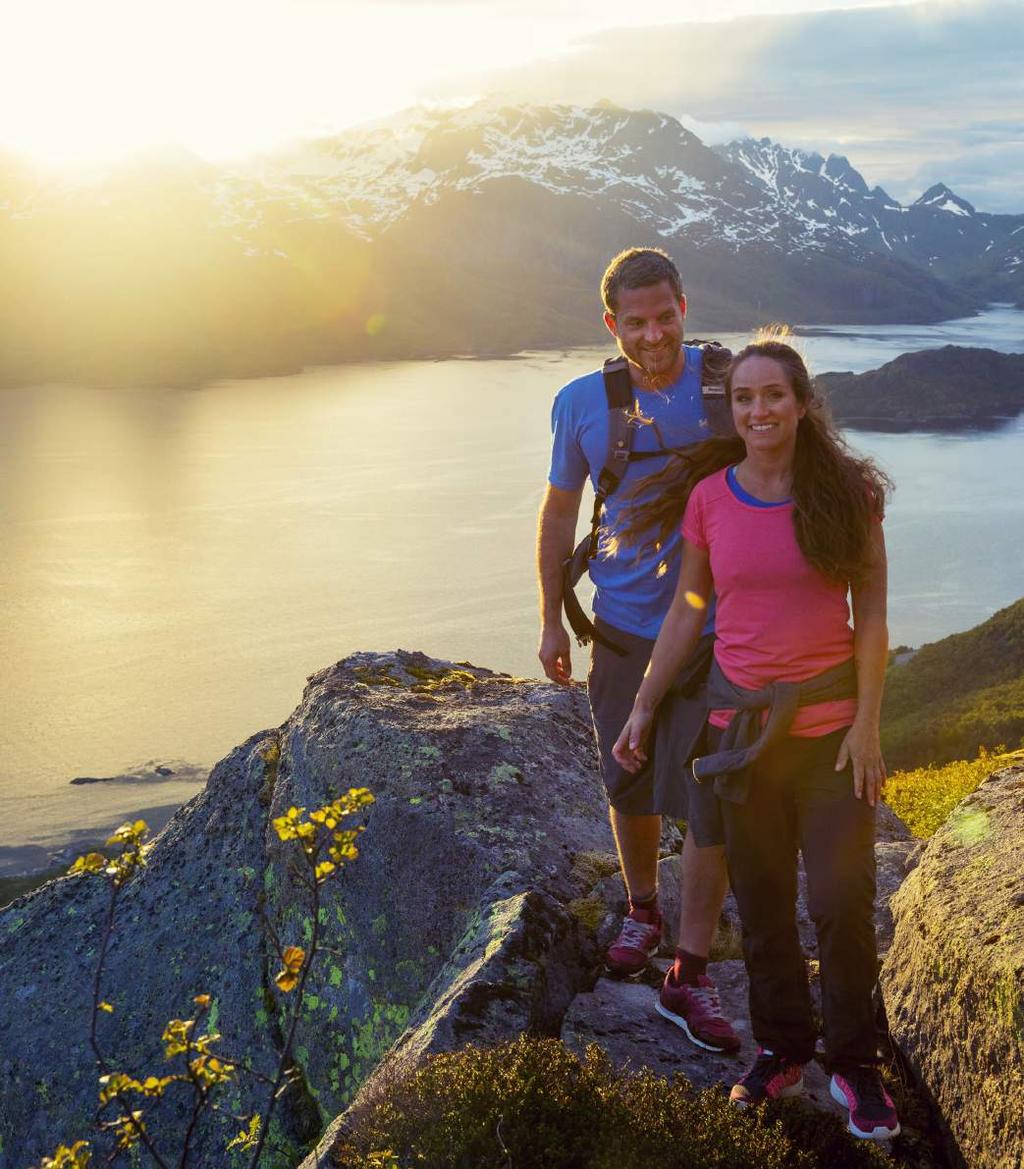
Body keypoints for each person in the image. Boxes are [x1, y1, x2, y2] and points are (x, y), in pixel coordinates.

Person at [612, 335, 901, 1141]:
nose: (759, 410)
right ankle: (781, 1047)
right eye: (744, 399)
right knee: (765, 902)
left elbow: (872, 614)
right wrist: (643, 706)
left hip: (831, 731)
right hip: (740, 735)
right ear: (731, 409)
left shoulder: (848, 493)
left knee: (841, 900)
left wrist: (870, 724)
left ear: (803, 404)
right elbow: (690, 610)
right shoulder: (711, 497)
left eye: (774, 395)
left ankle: (853, 1063)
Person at [537, 246, 740, 1054]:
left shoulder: (729, 385)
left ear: (684, 308)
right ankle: (643, 905)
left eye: (666, 317)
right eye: (637, 323)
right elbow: (558, 516)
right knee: (628, 779)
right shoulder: (583, 402)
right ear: (611, 323)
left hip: (724, 636)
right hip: (621, 626)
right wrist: (552, 617)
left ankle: (689, 968)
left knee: (710, 798)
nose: (653, 336)